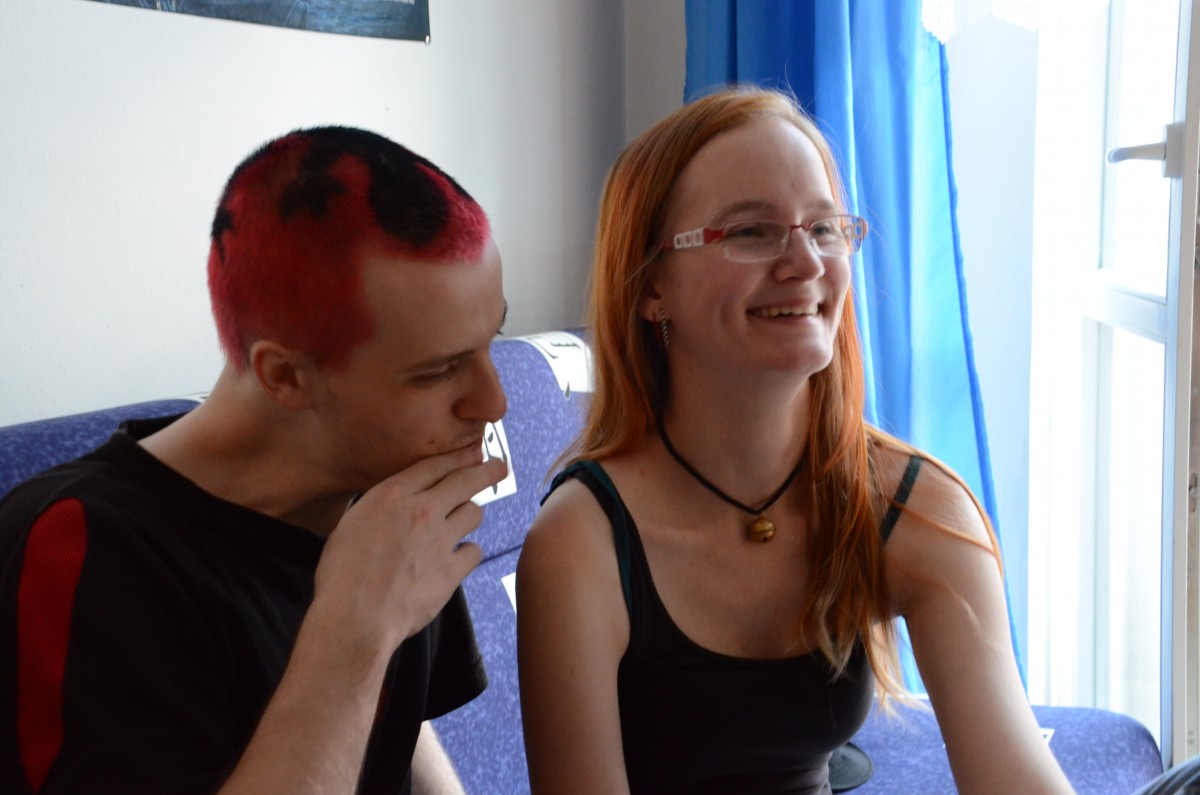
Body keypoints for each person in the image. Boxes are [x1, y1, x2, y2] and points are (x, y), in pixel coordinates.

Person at [515, 87, 1076, 794]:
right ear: (652, 285)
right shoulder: (581, 541)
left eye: (824, 228)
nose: (806, 262)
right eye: (752, 232)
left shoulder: (914, 505)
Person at [0, 126, 509, 794]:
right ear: (286, 376)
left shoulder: (385, 492)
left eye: (493, 338)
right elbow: (361, 662)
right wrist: (355, 629)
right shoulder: (81, 550)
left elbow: (398, 737)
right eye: (439, 371)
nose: (494, 401)